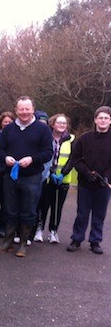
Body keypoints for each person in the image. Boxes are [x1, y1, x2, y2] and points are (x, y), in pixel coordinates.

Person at [0, 96, 53, 257]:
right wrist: (5, 158)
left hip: (32, 177)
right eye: (21, 109)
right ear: (16, 110)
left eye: (27, 109)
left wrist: (32, 159)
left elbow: (48, 153)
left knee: (28, 211)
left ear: (33, 109)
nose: (24, 112)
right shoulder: (8, 129)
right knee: (10, 209)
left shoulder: (43, 130)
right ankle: (7, 242)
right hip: (11, 176)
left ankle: (22, 244)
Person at [67, 106, 111, 254]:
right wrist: (86, 172)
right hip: (86, 182)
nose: (103, 120)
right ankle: (77, 239)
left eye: (106, 118)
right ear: (95, 120)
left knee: (99, 214)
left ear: (110, 120)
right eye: (100, 118)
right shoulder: (85, 138)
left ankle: (95, 241)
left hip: (103, 184)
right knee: (82, 213)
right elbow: (76, 159)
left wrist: (106, 176)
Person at [33, 114, 76, 244]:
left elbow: (73, 158)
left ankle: (53, 231)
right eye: (59, 122)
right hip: (47, 177)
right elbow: (45, 155)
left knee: (57, 206)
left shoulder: (72, 139)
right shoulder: (46, 137)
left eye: (64, 123)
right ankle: (39, 230)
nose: (62, 125)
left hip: (63, 179)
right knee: (43, 205)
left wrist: (63, 173)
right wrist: (51, 172)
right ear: (52, 124)